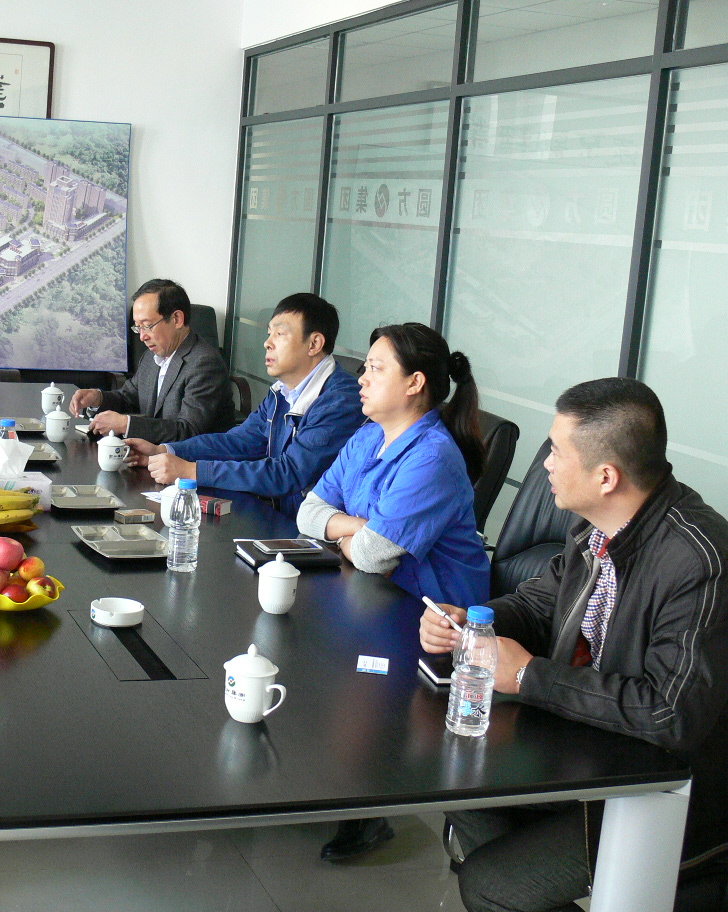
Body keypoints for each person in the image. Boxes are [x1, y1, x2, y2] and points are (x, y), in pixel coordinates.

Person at [421, 378, 728, 912]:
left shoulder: (698, 560)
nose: (545, 464)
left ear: (606, 476)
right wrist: (471, 624)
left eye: (558, 452)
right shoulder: (598, 529)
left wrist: (528, 676)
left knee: (490, 886)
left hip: (667, 787)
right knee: (455, 781)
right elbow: (539, 604)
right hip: (592, 747)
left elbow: (670, 713)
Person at [297, 322, 490, 862]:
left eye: (376, 369)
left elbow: (373, 555)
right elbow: (308, 511)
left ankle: (366, 807)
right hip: (372, 594)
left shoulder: (432, 456)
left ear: (415, 383)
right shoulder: (369, 435)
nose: (361, 378)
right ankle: (327, 776)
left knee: (336, 671)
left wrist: (352, 535)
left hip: (428, 620)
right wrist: (358, 529)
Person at [124, 292, 364, 516]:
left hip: (310, 531)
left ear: (314, 344)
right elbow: (239, 442)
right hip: (279, 514)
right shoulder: (282, 392)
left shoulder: (339, 401)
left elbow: (289, 473)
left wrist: (191, 471)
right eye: (269, 334)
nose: (267, 343)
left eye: (280, 334)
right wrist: (166, 451)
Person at [68, 279, 236, 442]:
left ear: (177, 319)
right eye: (138, 327)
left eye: (147, 326)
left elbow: (188, 431)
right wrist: (98, 398)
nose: (142, 337)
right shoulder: (151, 356)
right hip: (154, 453)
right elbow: (128, 398)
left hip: (193, 459)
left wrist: (126, 424)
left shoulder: (204, 364)